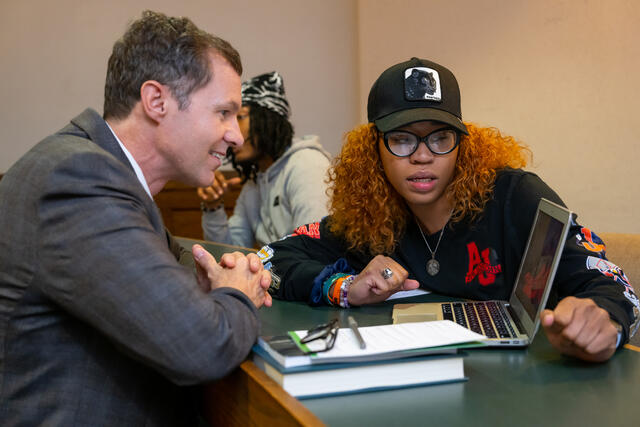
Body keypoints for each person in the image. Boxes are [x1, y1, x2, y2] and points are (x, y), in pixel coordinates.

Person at [260, 57, 639, 363]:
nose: (423, 156)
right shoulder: (369, 218)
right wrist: (344, 288)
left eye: (440, 138)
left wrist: (606, 319)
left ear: (463, 145)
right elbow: (271, 258)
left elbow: (612, 284)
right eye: (401, 139)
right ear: (373, 150)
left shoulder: (517, 197)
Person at [0, 11, 272, 425]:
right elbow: (203, 347)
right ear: (157, 101)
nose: (236, 135)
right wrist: (237, 292)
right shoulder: (80, 179)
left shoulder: (97, 169)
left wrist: (203, 287)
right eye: (223, 113)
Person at [198, 71, 331, 248]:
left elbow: (315, 250)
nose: (231, 132)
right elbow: (229, 252)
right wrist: (213, 206)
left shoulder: (307, 166)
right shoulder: (255, 183)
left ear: (267, 120)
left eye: (240, 117)